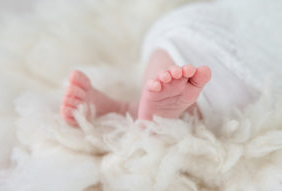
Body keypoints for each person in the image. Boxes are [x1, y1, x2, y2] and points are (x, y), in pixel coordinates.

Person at [61, 0, 282, 126]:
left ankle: (131, 110)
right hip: (246, 59)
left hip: (192, 26)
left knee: (178, 43)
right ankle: (145, 112)